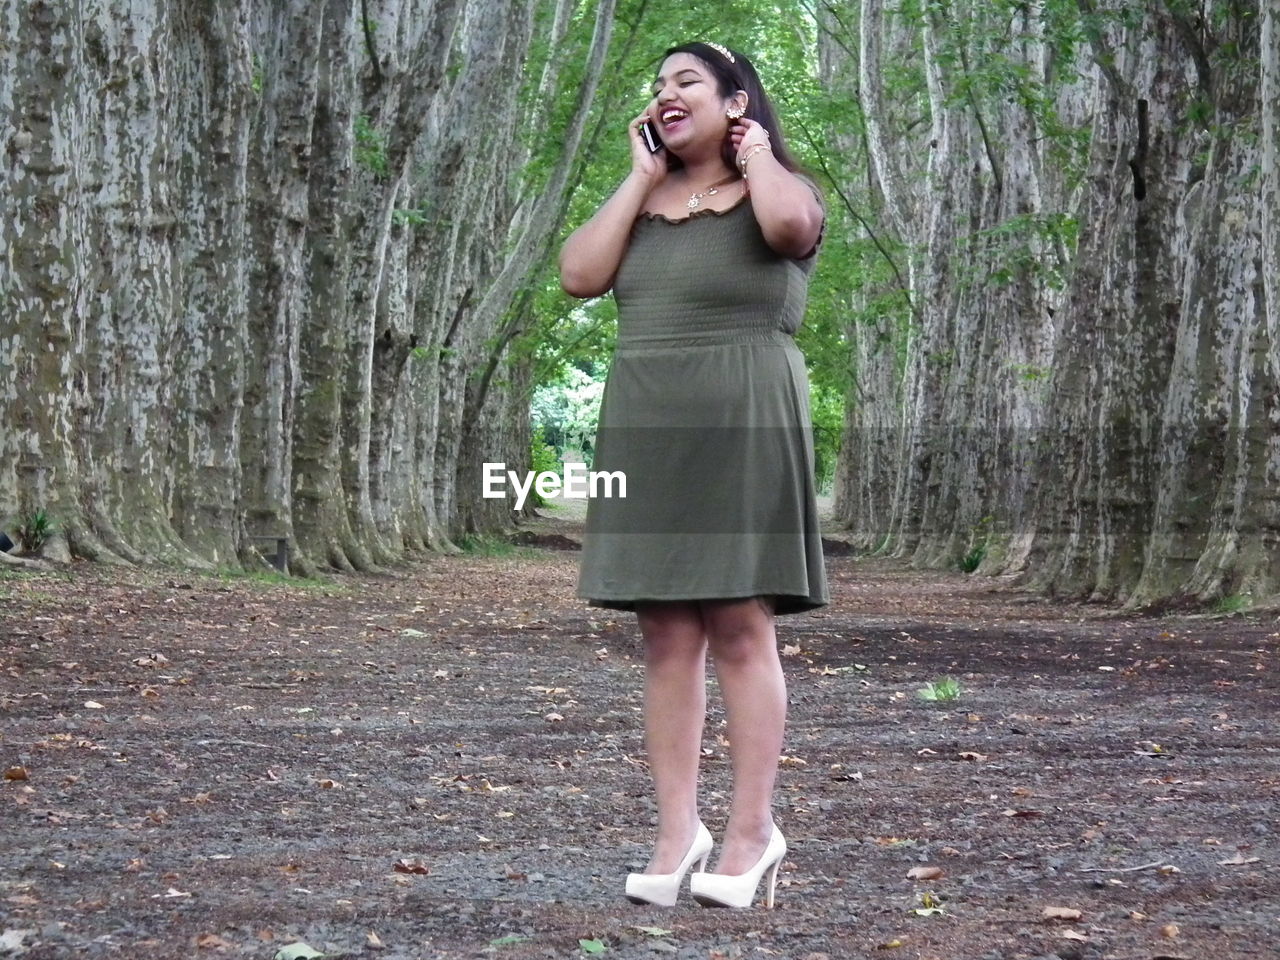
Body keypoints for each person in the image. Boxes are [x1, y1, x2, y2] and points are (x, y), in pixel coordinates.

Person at [558, 40, 829, 910]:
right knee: (666, 633)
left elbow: (791, 231)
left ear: (736, 101)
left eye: (688, 83)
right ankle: (680, 833)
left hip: (744, 408)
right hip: (647, 413)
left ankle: (753, 831)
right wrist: (639, 178)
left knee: (739, 620)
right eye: (659, 86)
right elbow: (578, 276)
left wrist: (751, 152)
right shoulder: (643, 202)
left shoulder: (775, 190)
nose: (666, 95)